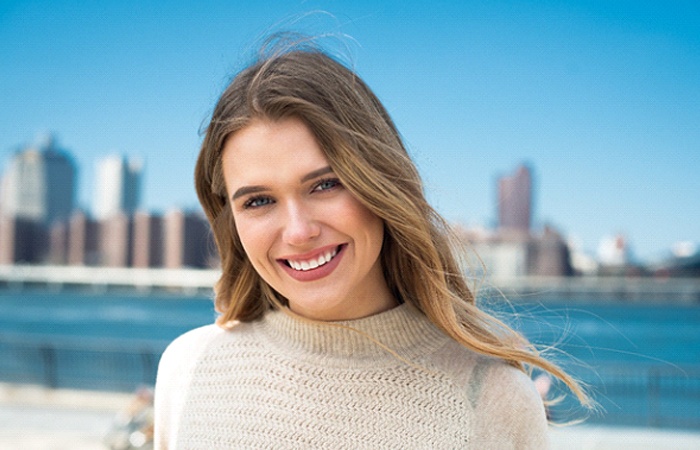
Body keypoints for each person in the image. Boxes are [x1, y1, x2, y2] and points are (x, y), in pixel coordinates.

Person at [154, 38, 589, 448]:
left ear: (380, 183)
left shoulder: (492, 396)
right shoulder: (188, 367)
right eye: (259, 200)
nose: (298, 231)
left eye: (325, 185)